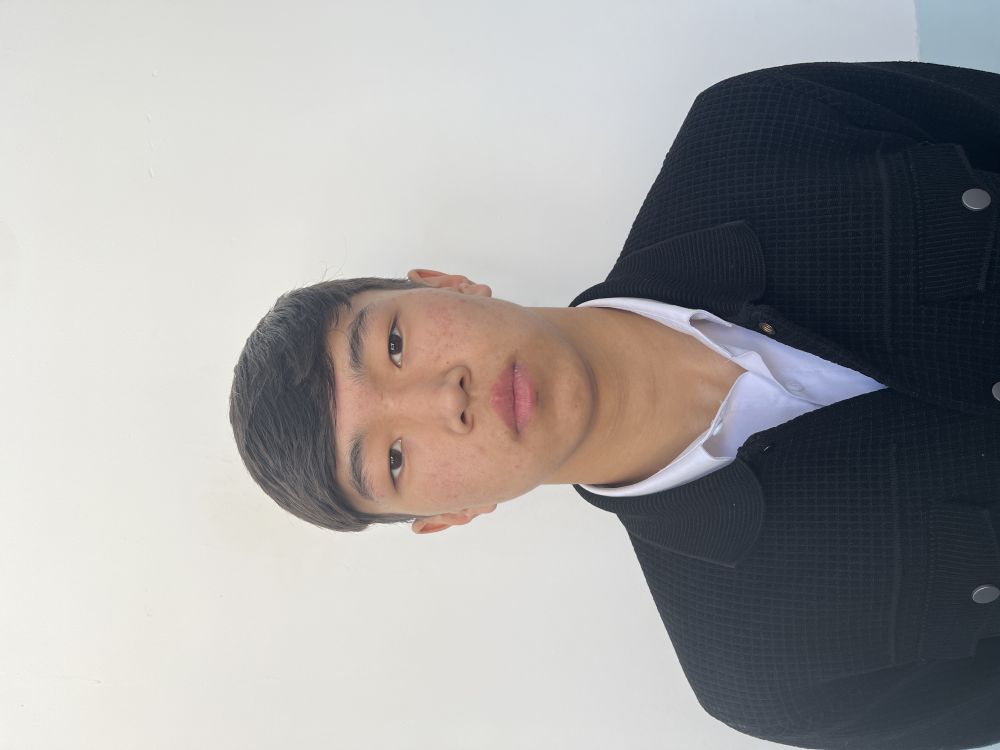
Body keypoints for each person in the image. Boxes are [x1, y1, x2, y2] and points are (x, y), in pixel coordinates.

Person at [229, 61, 1000, 750]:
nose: (444, 399)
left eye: (394, 344)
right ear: (449, 516)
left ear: (446, 283)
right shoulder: (764, 667)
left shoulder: (754, 128)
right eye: (394, 458)